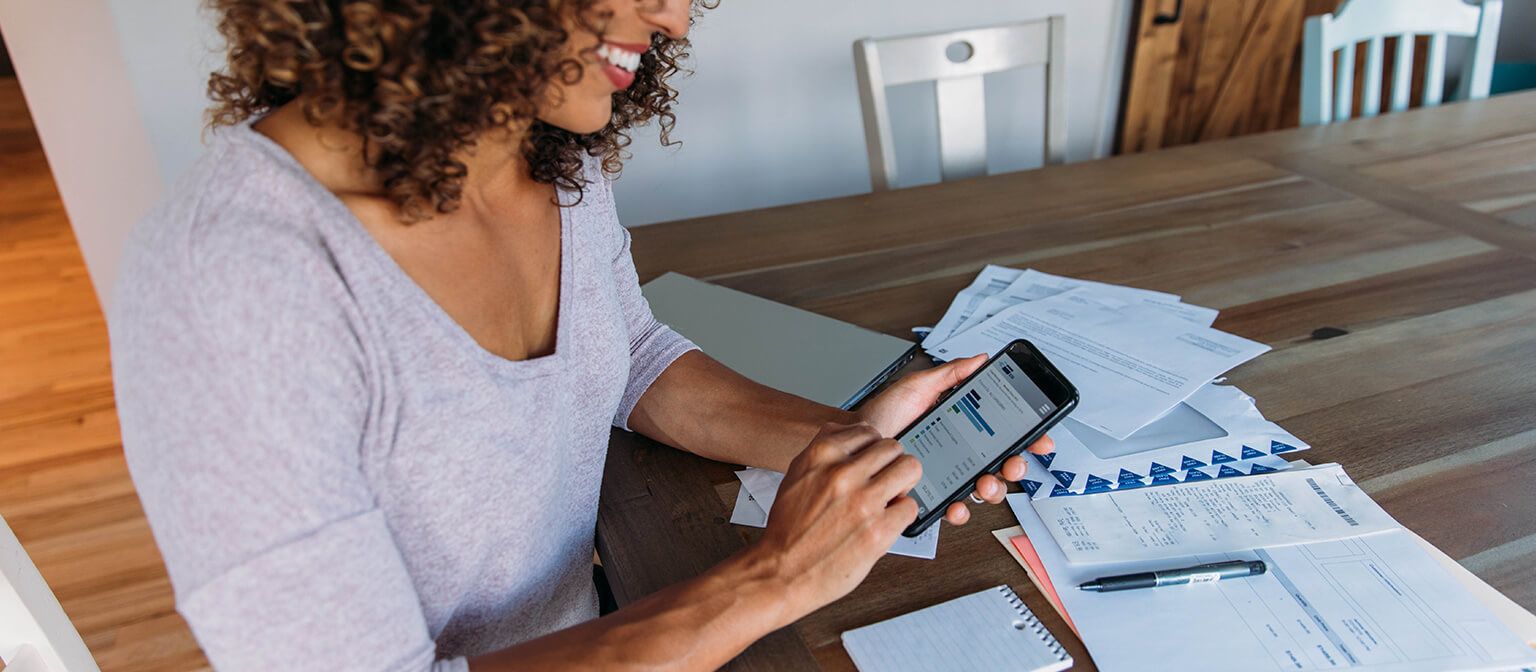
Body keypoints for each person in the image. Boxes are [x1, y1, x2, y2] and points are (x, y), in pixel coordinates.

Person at [109, 0, 1052, 669]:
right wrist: (776, 575)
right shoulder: (233, 285)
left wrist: (845, 442)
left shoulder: (549, 151)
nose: (674, 18)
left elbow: (628, 356)